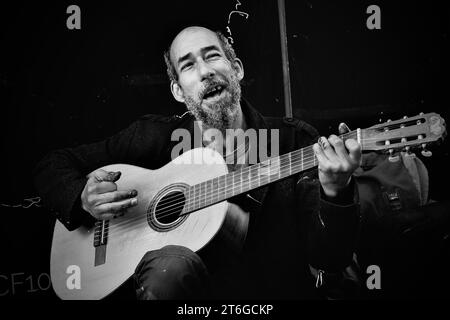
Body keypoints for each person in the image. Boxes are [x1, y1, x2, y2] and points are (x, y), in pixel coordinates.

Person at [34, 26, 362, 300]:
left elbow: (330, 259)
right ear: (178, 90)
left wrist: (337, 191)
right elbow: (53, 164)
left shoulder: (292, 141)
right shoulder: (152, 138)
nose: (205, 71)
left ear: (237, 69)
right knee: (171, 268)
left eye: (213, 55)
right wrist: (82, 198)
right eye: (188, 65)